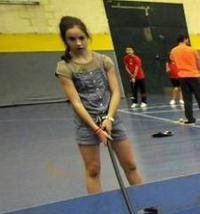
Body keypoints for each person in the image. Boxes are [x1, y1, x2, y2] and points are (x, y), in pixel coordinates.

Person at [54, 16, 144, 193]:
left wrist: (109, 119)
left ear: (87, 36)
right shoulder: (64, 67)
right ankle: (99, 211)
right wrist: (96, 129)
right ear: (65, 40)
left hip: (112, 120)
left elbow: (116, 92)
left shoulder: (104, 61)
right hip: (87, 125)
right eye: (72, 39)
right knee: (93, 170)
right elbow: (76, 102)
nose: (78, 43)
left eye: (81, 37)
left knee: (131, 165)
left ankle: (147, 202)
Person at [170, 34, 200, 125]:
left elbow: (173, 62)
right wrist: (198, 72)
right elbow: (197, 63)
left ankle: (190, 119)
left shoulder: (173, 51)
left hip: (183, 77)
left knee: (187, 99)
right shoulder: (192, 49)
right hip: (194, 75)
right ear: (185, 39)